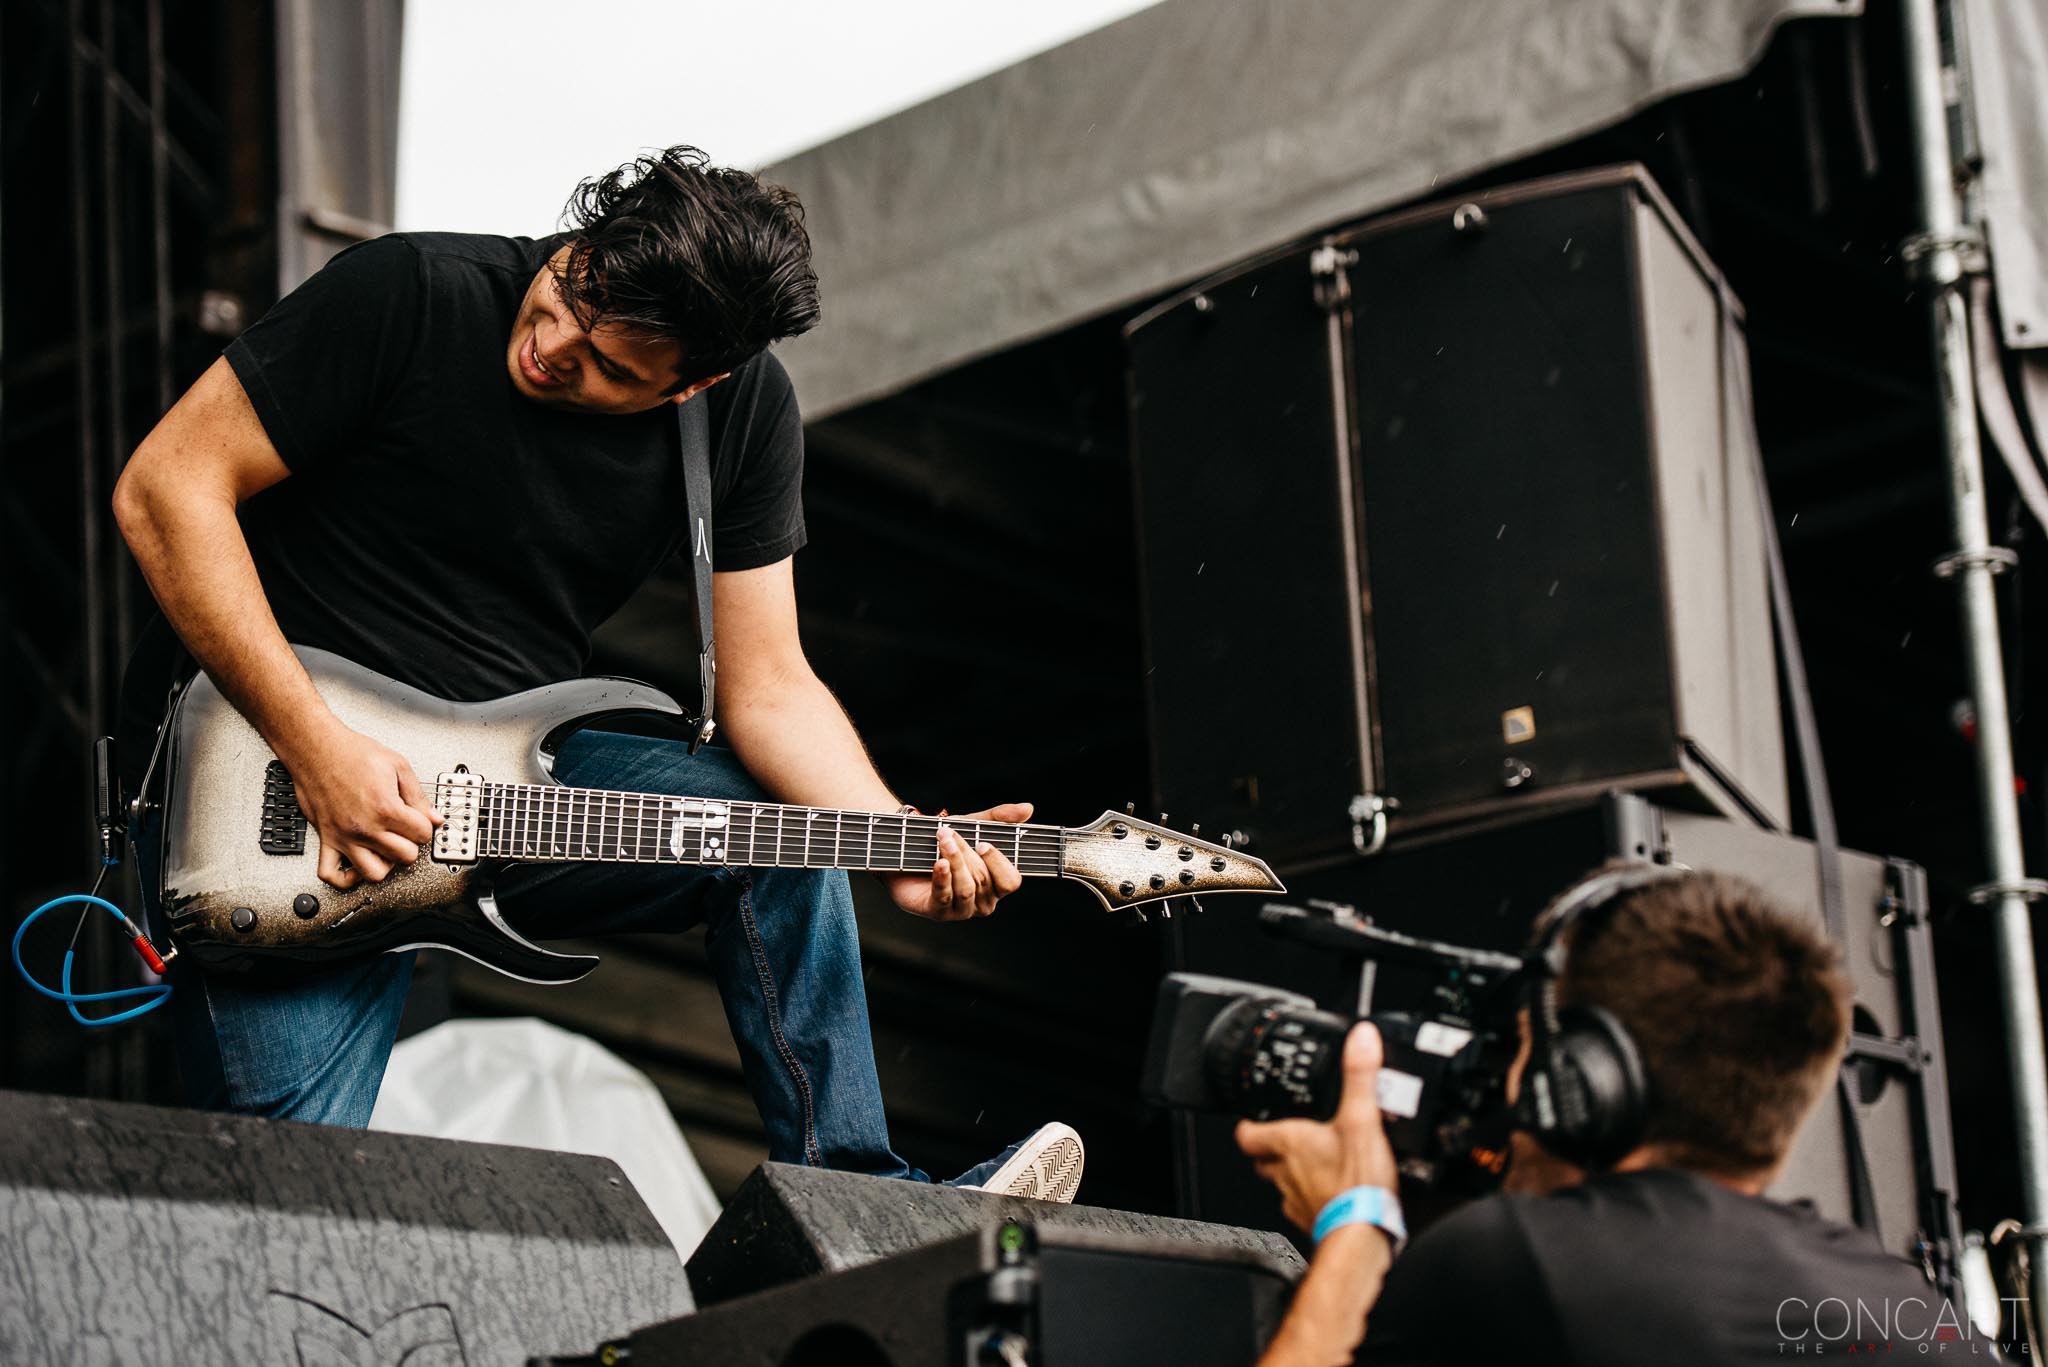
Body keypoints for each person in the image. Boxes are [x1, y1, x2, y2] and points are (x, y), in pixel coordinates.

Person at [111, 145, 1083, 1200]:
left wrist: (895, 836)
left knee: (771, 831)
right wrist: (316, 746)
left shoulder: (742, 418)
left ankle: (864, 1195)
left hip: (506, 794)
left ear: (695, 383)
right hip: (274, 791)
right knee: (278, 1209)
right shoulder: (409, 294)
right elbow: (166, 489)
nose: (552, 345)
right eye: (571, 290)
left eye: (612, 367)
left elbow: (767, 688)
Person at [1236, 866, 1941, 1366]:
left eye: (1520, 1045)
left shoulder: (1520, 1259)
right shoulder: (1908, 1305)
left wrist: (1354, 1231)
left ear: (1575, 1077)